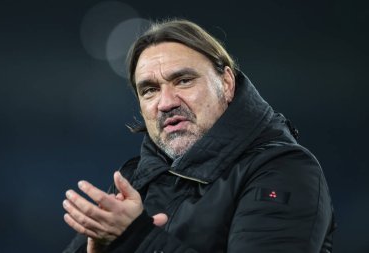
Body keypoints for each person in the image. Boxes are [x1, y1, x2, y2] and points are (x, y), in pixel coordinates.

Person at [62, 19, 336, 253]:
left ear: (227, 84)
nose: (166, 102)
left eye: (183, 80)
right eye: (149, 90)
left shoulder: (283, 170)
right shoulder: (134, 182)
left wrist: (137, 239)